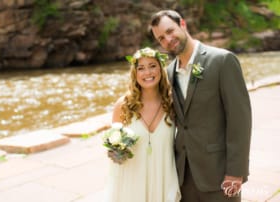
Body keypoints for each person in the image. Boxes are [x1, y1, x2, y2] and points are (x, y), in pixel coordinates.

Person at [148, 10, 252, 202]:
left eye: (170, 31)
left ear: (183, 25)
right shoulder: (169, 72)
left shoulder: (222, 60)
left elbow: (240, 121)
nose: (168, 40)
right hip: (183, 175)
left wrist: (236, 172)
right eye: (161, 38)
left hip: (219, 173)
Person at [104, 47, 181, 202]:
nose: (148, 73)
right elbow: (114, 156)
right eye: (141, 68)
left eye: (152, 66)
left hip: (163, 179)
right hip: (132, 183)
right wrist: (116, 151)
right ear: (135, 73)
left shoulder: (172, 103)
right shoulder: (123, 105)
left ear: (161, 68)